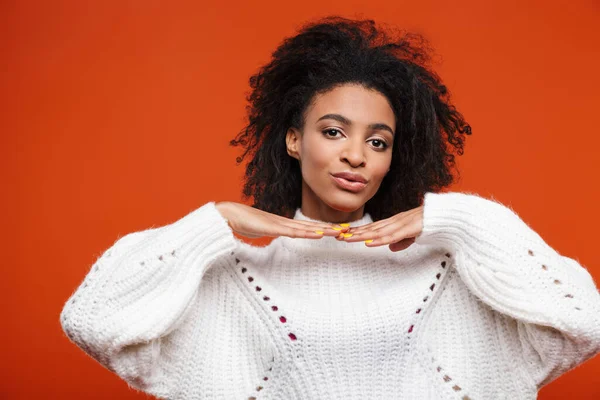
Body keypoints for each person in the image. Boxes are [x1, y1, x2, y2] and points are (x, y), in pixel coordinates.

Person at [60, 15, 600, 400]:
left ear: (393, 158)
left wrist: (460, 220)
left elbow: (584, 322)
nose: (355, 155)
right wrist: (215, 222)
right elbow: (92, 321)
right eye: (334, 131)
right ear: (294, 140)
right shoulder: (237, 279)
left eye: (378, 141)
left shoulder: (441, 272)